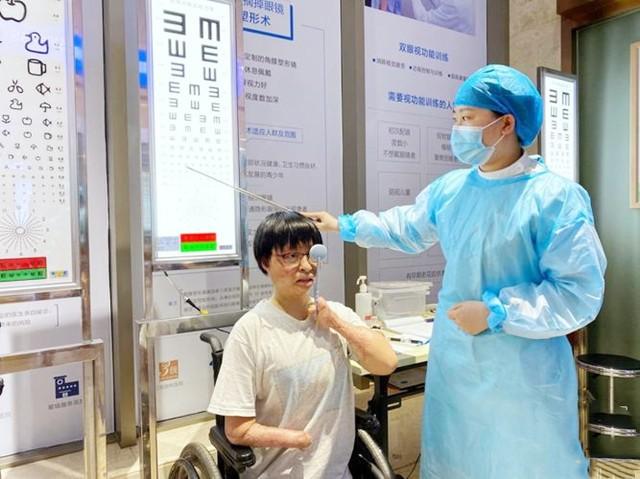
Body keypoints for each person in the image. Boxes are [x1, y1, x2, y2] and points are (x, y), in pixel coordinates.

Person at [305, 64, 607, 478]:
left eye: (467, 118)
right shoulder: (453, 190)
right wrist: (343, 225)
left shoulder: (555, 198)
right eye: (456, 118)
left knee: (523, 464)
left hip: (522, 375)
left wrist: (498, 312)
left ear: (506, 124)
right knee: (457, 460)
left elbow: (578, 292)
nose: (458, 129)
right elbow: (405, 227)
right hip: (458, 365)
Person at [207, 211, 397, 478]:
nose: (307, 266)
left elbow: (386, 363)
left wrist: (337, 324)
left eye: (312, 254)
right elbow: (237, 430)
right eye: (291, 256)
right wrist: (298, 439)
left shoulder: (335, 315)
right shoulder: (250, 332)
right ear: (265, 262)